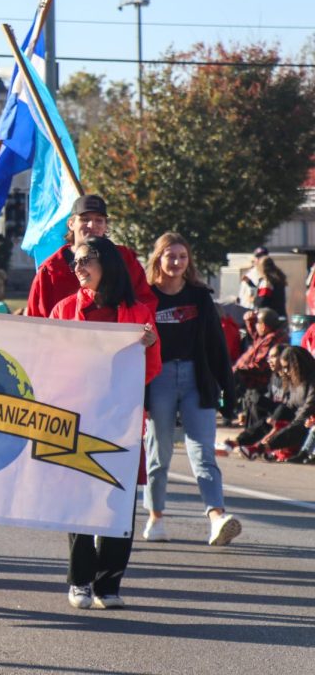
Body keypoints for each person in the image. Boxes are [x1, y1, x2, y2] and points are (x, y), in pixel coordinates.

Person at [49, 235, 160, 610]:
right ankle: (80, 580)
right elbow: (49, 360)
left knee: (118, 503)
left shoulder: (139, 313)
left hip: (121, 422)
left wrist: (145, 347)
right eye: (75, 262)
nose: (78, 268)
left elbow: (153, 368)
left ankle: (108, 583)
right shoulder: (64, 310)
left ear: (107, 264)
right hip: (76, 421)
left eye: (86, 260)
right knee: (77, 501)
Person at [141, 232, 242, 547]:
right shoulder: (145, 296)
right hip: (159, 377)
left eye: (182, 257)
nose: (176, 262)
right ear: (158, 258)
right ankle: (156, 517)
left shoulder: (199, 297)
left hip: (197, 379)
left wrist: (228, 391)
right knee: (160, 451)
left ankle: (216, 516)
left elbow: (216, 346)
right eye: (170, 256)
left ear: (189, 261)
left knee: (203, 451)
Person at [26, 195, 155, 319]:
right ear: (71, 223)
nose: (92, 225)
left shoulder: (125, 259)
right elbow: (36, 320)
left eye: (99, 220)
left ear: (106, 226)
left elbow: (145, 303)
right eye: (85, 219)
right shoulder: (50, 271)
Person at [252, 346, 315, 461]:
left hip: (306, 421)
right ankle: (245, 441)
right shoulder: (294, 379)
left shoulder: (312, 380)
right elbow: (289, 405)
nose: (285, 371)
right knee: (278, 412)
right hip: (301, 419)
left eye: (287, 368)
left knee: (301, 424)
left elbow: (308, 408)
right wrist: (275, 422)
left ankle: (264, 447)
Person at [232, 308, 288, 429]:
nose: (255, 326)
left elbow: (259, 366)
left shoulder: (271, 339)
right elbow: (255, 334)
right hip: (254, 385)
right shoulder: (265, 335)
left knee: (256, 420)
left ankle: (255, 443)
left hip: (260, 386)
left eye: (257, 323)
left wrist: (238, 369)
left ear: (263, 326)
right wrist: (249, 320)